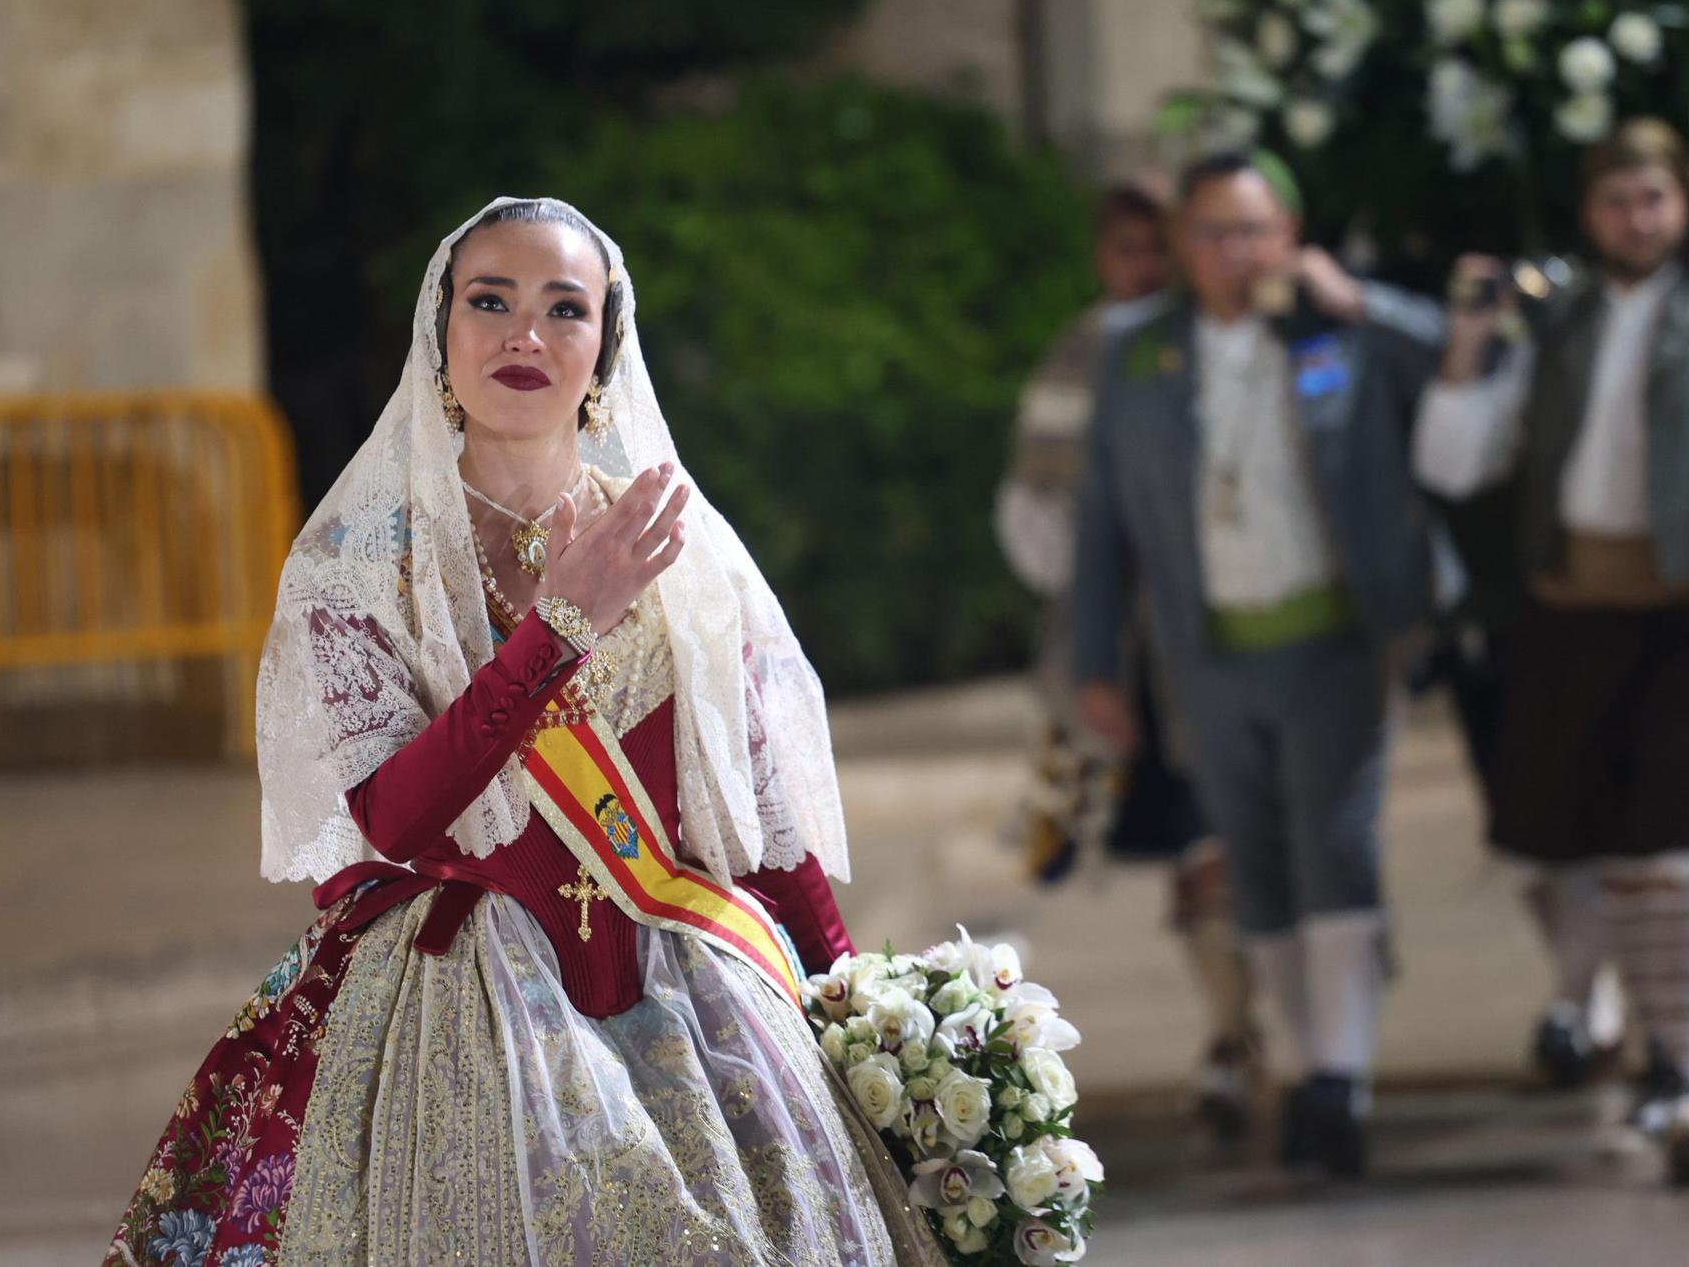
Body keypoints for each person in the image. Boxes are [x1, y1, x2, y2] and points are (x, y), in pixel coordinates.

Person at [103, 198, 943, 1264]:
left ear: (603, 349)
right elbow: (394, 816)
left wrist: (859, 1013)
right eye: (489, 301)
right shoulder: (358, 567)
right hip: (457, 1002)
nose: (524, 336)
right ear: (439, 334)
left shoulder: (677, 548)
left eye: (564, 309)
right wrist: (561, 625)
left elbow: (758, 827)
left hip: (687, 988)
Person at [1070, 151, 1448, 1178]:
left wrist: (1356, 302)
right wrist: (1093, 661)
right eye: (1208, 232)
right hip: (1207, 649)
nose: (1230, 253)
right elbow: (1099, 517)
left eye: (1250, 230)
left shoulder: (1334, 328)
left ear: (1287, 236)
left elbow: (1460, 362)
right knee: (1256, 855)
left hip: (1332, 637)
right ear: (1180, 246)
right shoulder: (1140, 354)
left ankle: (1341, 1074)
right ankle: (1310, 1067)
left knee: (1334, 839)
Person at [1417, 118, 1689, 1184]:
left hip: (1673, 617)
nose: (1637, 219)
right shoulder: (1555, 320)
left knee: (1659, 852)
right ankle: (1606, 1010)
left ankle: (1672, 1059)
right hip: (1568, 611)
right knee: (1542, 842)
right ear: (1588, 212)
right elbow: (1453, 456)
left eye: (1655, 198)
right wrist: (1465, 341)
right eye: (1617, 201)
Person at [996, 178, 1260, 1139]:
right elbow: (1037, 502)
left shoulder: (1217, 338)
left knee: (1225, 839)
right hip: (1122, 645)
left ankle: (1241, 1035)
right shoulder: (1083, 349)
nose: (1142, 269)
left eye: (1159, 249)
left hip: (1223, 628)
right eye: (1125, 252)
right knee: (1191, 842)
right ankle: (1235, 1036)